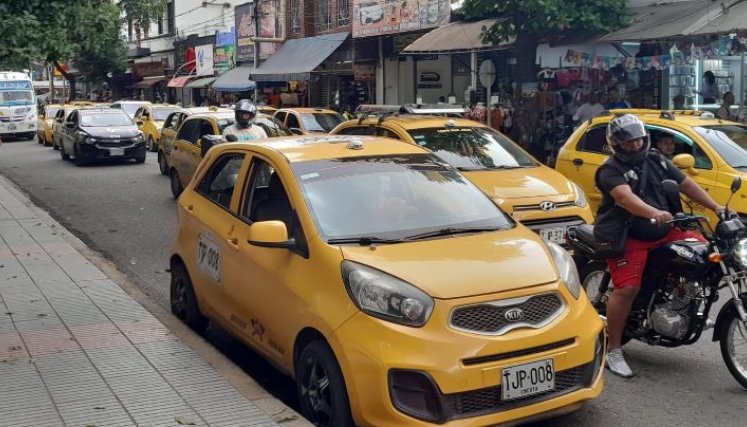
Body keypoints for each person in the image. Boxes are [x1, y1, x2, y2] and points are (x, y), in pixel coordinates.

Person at [596, 114, 724, 378]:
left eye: (638, 139)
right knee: (627, 288)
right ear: (617, 145)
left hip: (665, 232)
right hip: (630, 235)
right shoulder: (609, 170)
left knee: (707, 256)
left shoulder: (656, 159)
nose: (634, 145)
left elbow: (686, 184)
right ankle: (613, 349)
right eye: (628, 142)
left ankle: (683, 305)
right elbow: (625, 198)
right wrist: (654, 212)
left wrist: (716, 207)